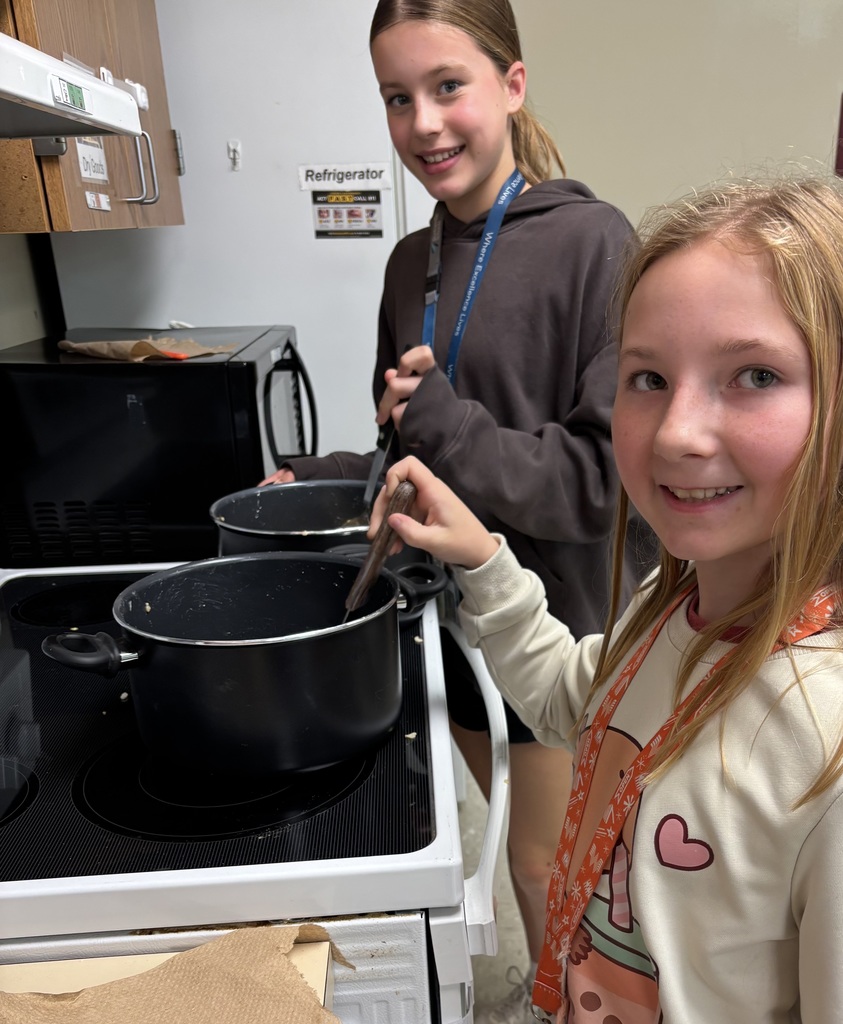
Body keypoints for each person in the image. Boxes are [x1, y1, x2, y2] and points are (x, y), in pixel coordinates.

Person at [367, 176, 843, 1023]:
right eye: (647, 378)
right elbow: (571, 701)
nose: (676, 433)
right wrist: (481, 554)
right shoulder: (668, 612)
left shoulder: (824, 748)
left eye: (755, 375)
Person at [261, 3, 648, 1017]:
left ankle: (570, 1004)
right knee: (513, 857)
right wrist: (329, 471)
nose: (424, 124)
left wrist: (445, 418)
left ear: (511, 86)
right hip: (450, 619)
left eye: (448, 88)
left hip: (559, 626)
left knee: (545, 871)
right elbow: (411, 447)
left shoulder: (596, 244)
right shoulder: (409, 262)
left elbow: (598, 481)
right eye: (398, 98)